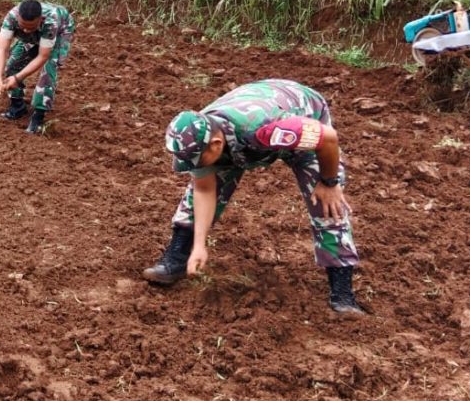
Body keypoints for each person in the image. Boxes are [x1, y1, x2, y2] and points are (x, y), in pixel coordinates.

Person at [143, 78, 367, 316]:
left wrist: (329, 182)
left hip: (299, 112)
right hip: (244, 133)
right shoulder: (199, 137)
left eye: (195, 161)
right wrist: (199, 246)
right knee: (200, 191)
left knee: (327, 203)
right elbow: (204, 189)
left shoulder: (269, 129)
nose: (191, 166)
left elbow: (328, 138)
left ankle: (342, 293)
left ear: (216, 145)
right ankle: (177, 258)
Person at [0, 0, 76, 135]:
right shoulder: (11, 17)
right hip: (38, 31)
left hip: (60, 29)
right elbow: (2, 49)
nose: (25, 30)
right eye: (22, 25)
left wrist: (17, 78)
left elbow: (43, 56)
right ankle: (17, 107)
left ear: (40, 19)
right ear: (18, 17)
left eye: (30, 27)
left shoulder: (50, 21)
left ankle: (38, 116)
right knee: (13, 64)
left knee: (48, 70)